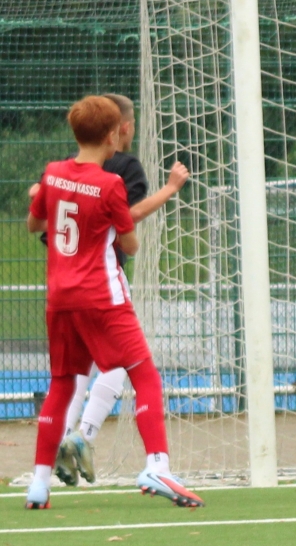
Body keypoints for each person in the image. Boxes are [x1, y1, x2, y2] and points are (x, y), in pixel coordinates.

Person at [25, 96, 199, 509]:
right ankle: (157, 465)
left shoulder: (52, 173)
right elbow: (131, 246)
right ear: (111, 135)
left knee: (62, 383)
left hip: (60, 297)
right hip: (102, 295)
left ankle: (38, 484)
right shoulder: (110, 184)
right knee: (144, 374)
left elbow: (34, 223)